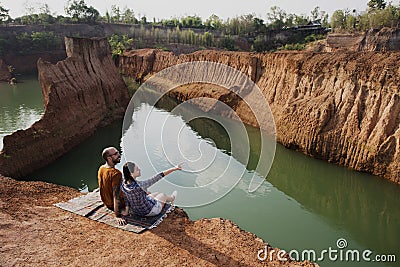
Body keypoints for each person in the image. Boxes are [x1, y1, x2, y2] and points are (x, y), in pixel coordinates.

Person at [98, 147, 127, 225]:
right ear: (109, 158)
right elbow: (116, 195)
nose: (119, 155)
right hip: (116, 204)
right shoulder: (116, 174)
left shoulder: (102, 168)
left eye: (118, 152)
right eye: (116, 154)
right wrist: (117, 215)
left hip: (106, 202)